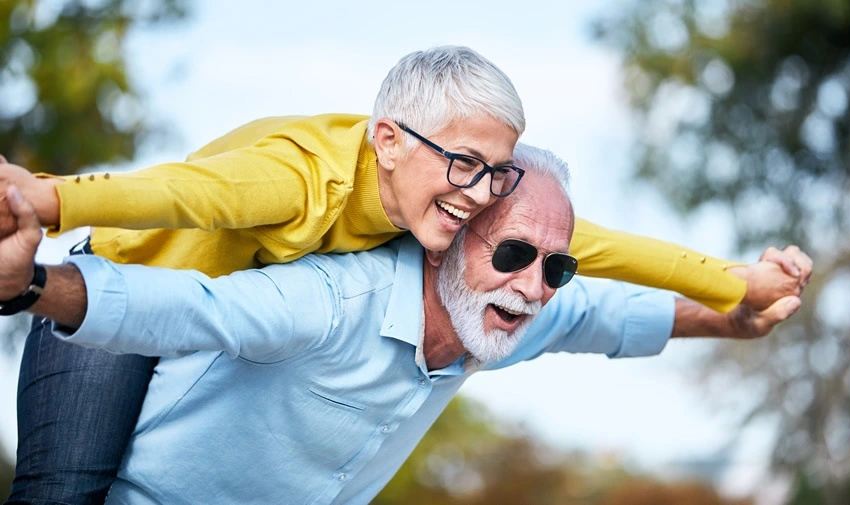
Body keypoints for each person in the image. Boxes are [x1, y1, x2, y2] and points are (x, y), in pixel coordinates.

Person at [0, 45, 796, 503]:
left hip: (193, 319)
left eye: (494, 172)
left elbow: (604, 272)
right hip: (114, 296)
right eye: (462, 163)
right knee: (64, 489)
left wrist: (733, 291)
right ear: (387, 138)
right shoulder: (306, 197)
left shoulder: (489, 261)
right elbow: (181, 204)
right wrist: (46, 204)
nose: (478, 190)